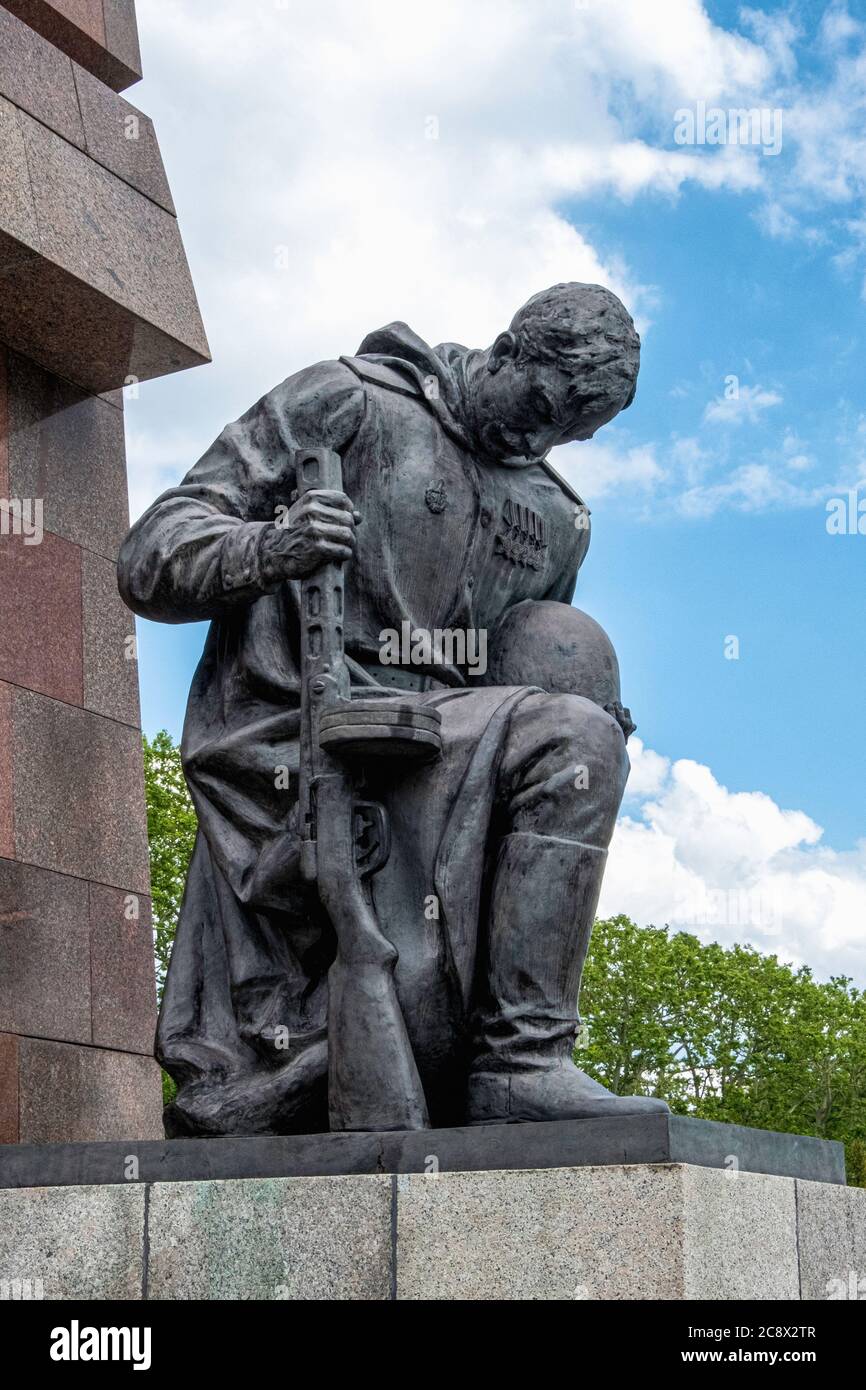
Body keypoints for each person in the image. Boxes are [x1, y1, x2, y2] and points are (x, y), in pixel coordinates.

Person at [119, 281, 668, 1135]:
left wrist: (587, 699)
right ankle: (517, 1063)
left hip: (446, 749)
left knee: (580, 735)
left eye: (571, 432)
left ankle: (510, 1059)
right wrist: (271, 546)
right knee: (567, 739)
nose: (542, 437)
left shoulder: (560, 516)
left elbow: (516, 664)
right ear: (509, 347)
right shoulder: (349, 400)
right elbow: (149, 556)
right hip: (302, 732)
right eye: (543, 406)